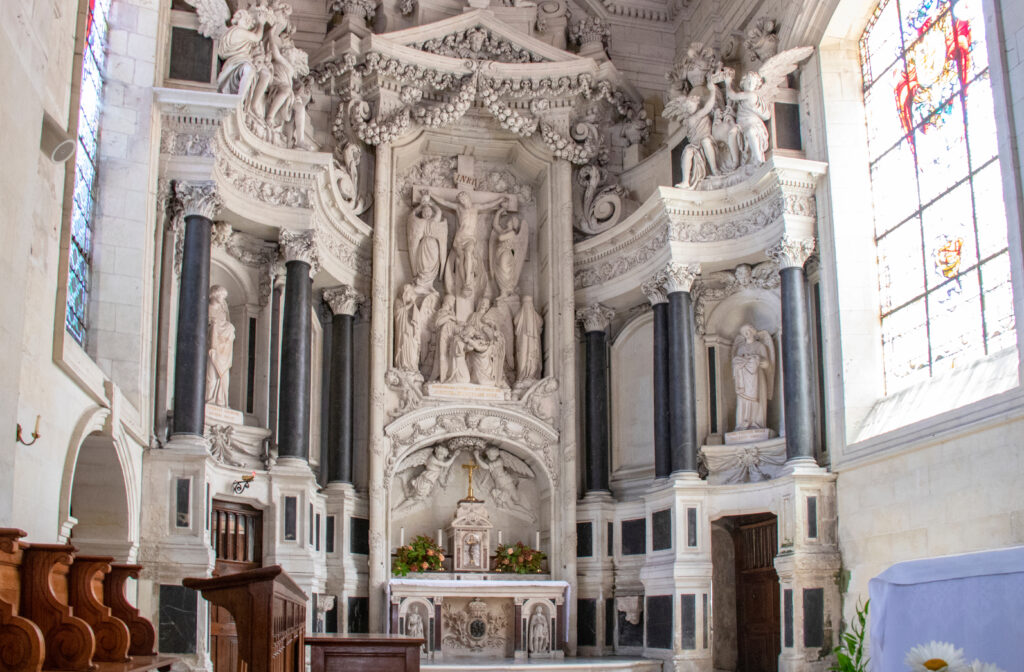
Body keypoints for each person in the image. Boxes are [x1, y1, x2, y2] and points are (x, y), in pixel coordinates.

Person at [206, 286, 235, 407]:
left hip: (224, 351)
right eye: (222, 295)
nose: (223, 299)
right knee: (211, 377)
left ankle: (221, 402)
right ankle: (209, 398)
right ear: (215, 295)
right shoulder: (207, 309)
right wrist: (213, 326)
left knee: (224, 378)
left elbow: (228, 326)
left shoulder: (223, 311)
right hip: (211, 348)